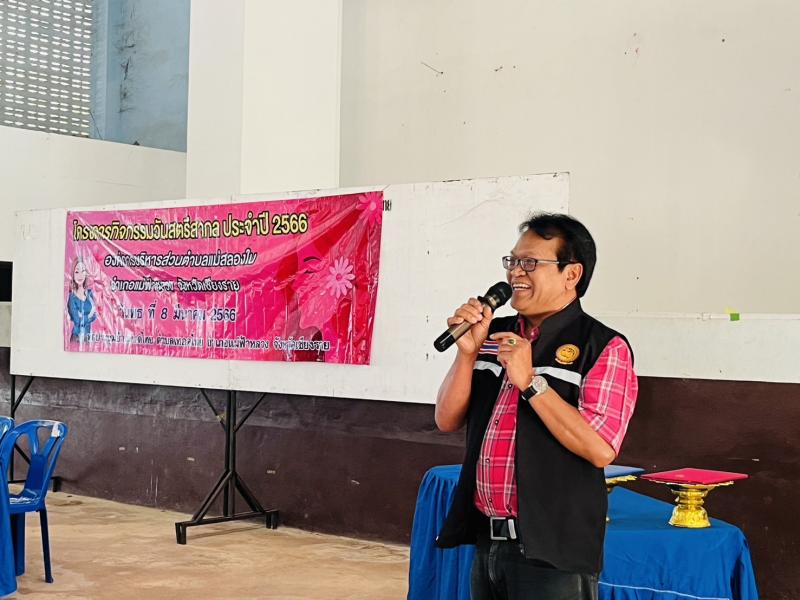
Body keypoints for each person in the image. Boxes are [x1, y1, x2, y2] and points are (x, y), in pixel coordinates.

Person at [435, 213, 638, 600]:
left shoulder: (602, 346)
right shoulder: (493, 334)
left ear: (571, 274)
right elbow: (445, 419)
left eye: (530, 262)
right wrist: (467, 354)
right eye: (512, 261)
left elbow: (600, 448)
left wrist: (530, 382)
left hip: (552, 552)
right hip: (488, 541)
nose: (516, 272)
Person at [67, 258, 97, 342]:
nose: (80, 275)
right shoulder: (72, 297)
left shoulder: (89, 293)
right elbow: (77, 320)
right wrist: (89, 314)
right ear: (73, 274)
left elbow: (94, 316)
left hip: (88, 337)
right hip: (76, 338)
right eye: (77, 272)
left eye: (83, 271)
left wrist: (83, 317)